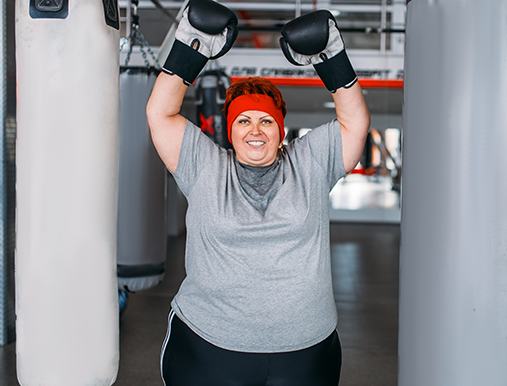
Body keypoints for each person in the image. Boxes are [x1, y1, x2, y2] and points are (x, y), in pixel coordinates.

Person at [145, 1, 370, 385]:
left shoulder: (310, 162)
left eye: (267, 120)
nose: (255, 130)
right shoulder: (204, 165)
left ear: (281, 129)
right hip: (208, 347)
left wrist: (332, 57)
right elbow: (160, 114)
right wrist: (190, 45)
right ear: (229, 131)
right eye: (244, 120)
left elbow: (354, 123)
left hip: (306, 351)